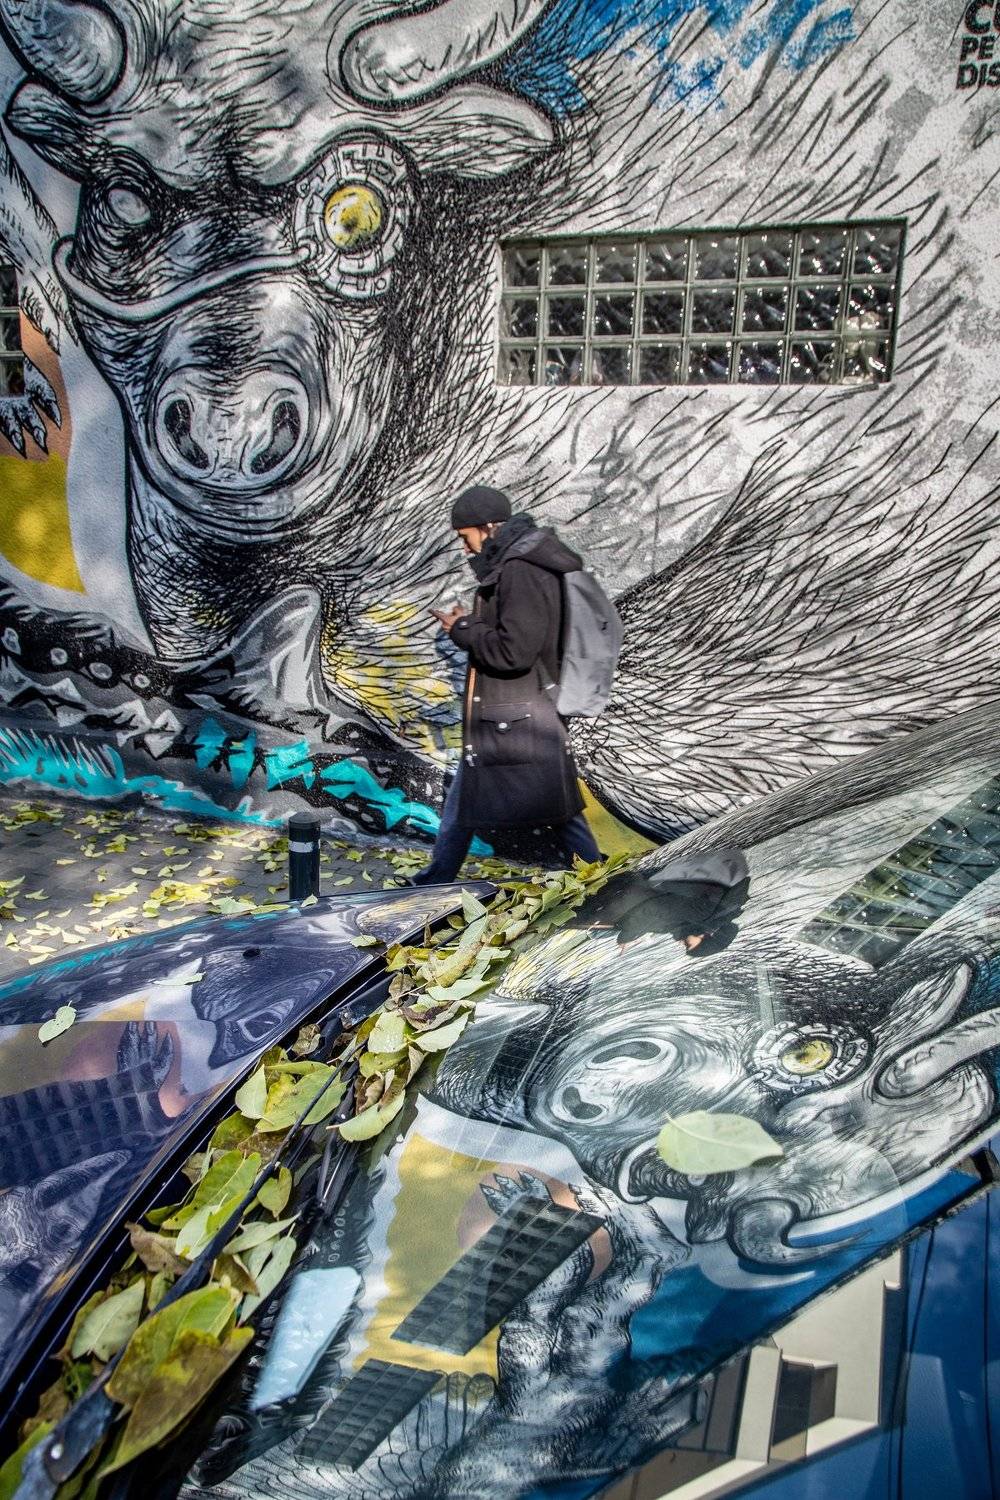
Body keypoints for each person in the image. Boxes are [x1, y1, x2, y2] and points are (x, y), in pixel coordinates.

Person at [412, 485, 601, 885]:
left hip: (518, 717)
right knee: (469, 795)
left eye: (465, 536)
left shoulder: (521, 568)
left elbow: (514, 652)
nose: (464, 547)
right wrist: (472, 624)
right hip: (514, 714)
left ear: (487, 527)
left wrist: (462, 628)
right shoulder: (523, 562)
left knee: (560, 811)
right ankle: (434, 879)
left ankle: (600, 878)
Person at [582, 848, 750, 955]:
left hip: (618, 893)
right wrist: (627, 936)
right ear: (708, 936)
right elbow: (656, 908)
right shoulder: (703, 913)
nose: (683, 944)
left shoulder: (696, 920)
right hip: (616, 893)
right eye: (689, 945)